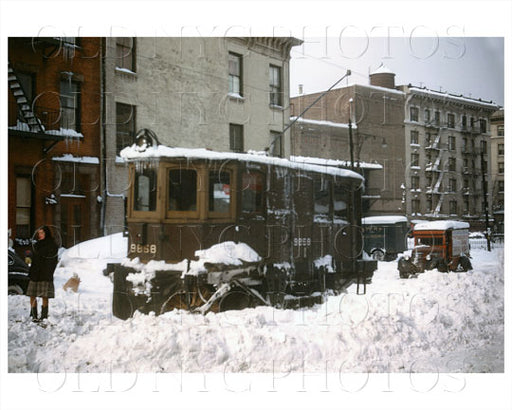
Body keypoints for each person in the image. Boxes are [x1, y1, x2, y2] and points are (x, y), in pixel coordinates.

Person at [26, 226, 58, 322]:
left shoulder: (52, 245)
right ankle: (33, 314)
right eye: (39, 233)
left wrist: (49, 272)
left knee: (45, 295)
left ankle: (44, 316)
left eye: (42, 233)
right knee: (32, 294)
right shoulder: (37, 245)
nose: (39, 235)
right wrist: (29, 257)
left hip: (45, 274)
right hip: (35, 273)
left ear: (46, 233)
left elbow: (53, 261)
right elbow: (33, 257)